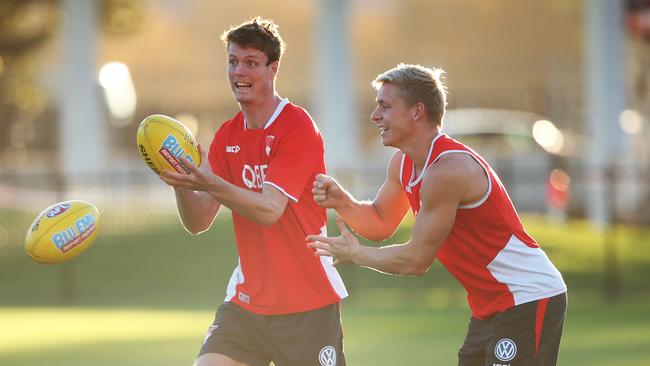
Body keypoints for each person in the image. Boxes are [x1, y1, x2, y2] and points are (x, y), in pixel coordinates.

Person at [307, 63, 567, 366]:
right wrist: (343, 202)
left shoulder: (447, 170)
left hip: (528, 296)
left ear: (417, 111)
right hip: (489, 308)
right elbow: (380, 222)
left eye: (385, 107)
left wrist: (357, 254)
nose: (375, 116)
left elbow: (416, 260)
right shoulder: (402, 163)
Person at [160, 17, 347, 366]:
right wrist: (181, 182)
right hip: (247, 303)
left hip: (306, 302)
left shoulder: (297, 125)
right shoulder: (227, 135)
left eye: (251, 63)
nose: (238, 72)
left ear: (273, 69)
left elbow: (269, 209)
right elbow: (198, 220)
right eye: (232, 61)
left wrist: (207, 181)